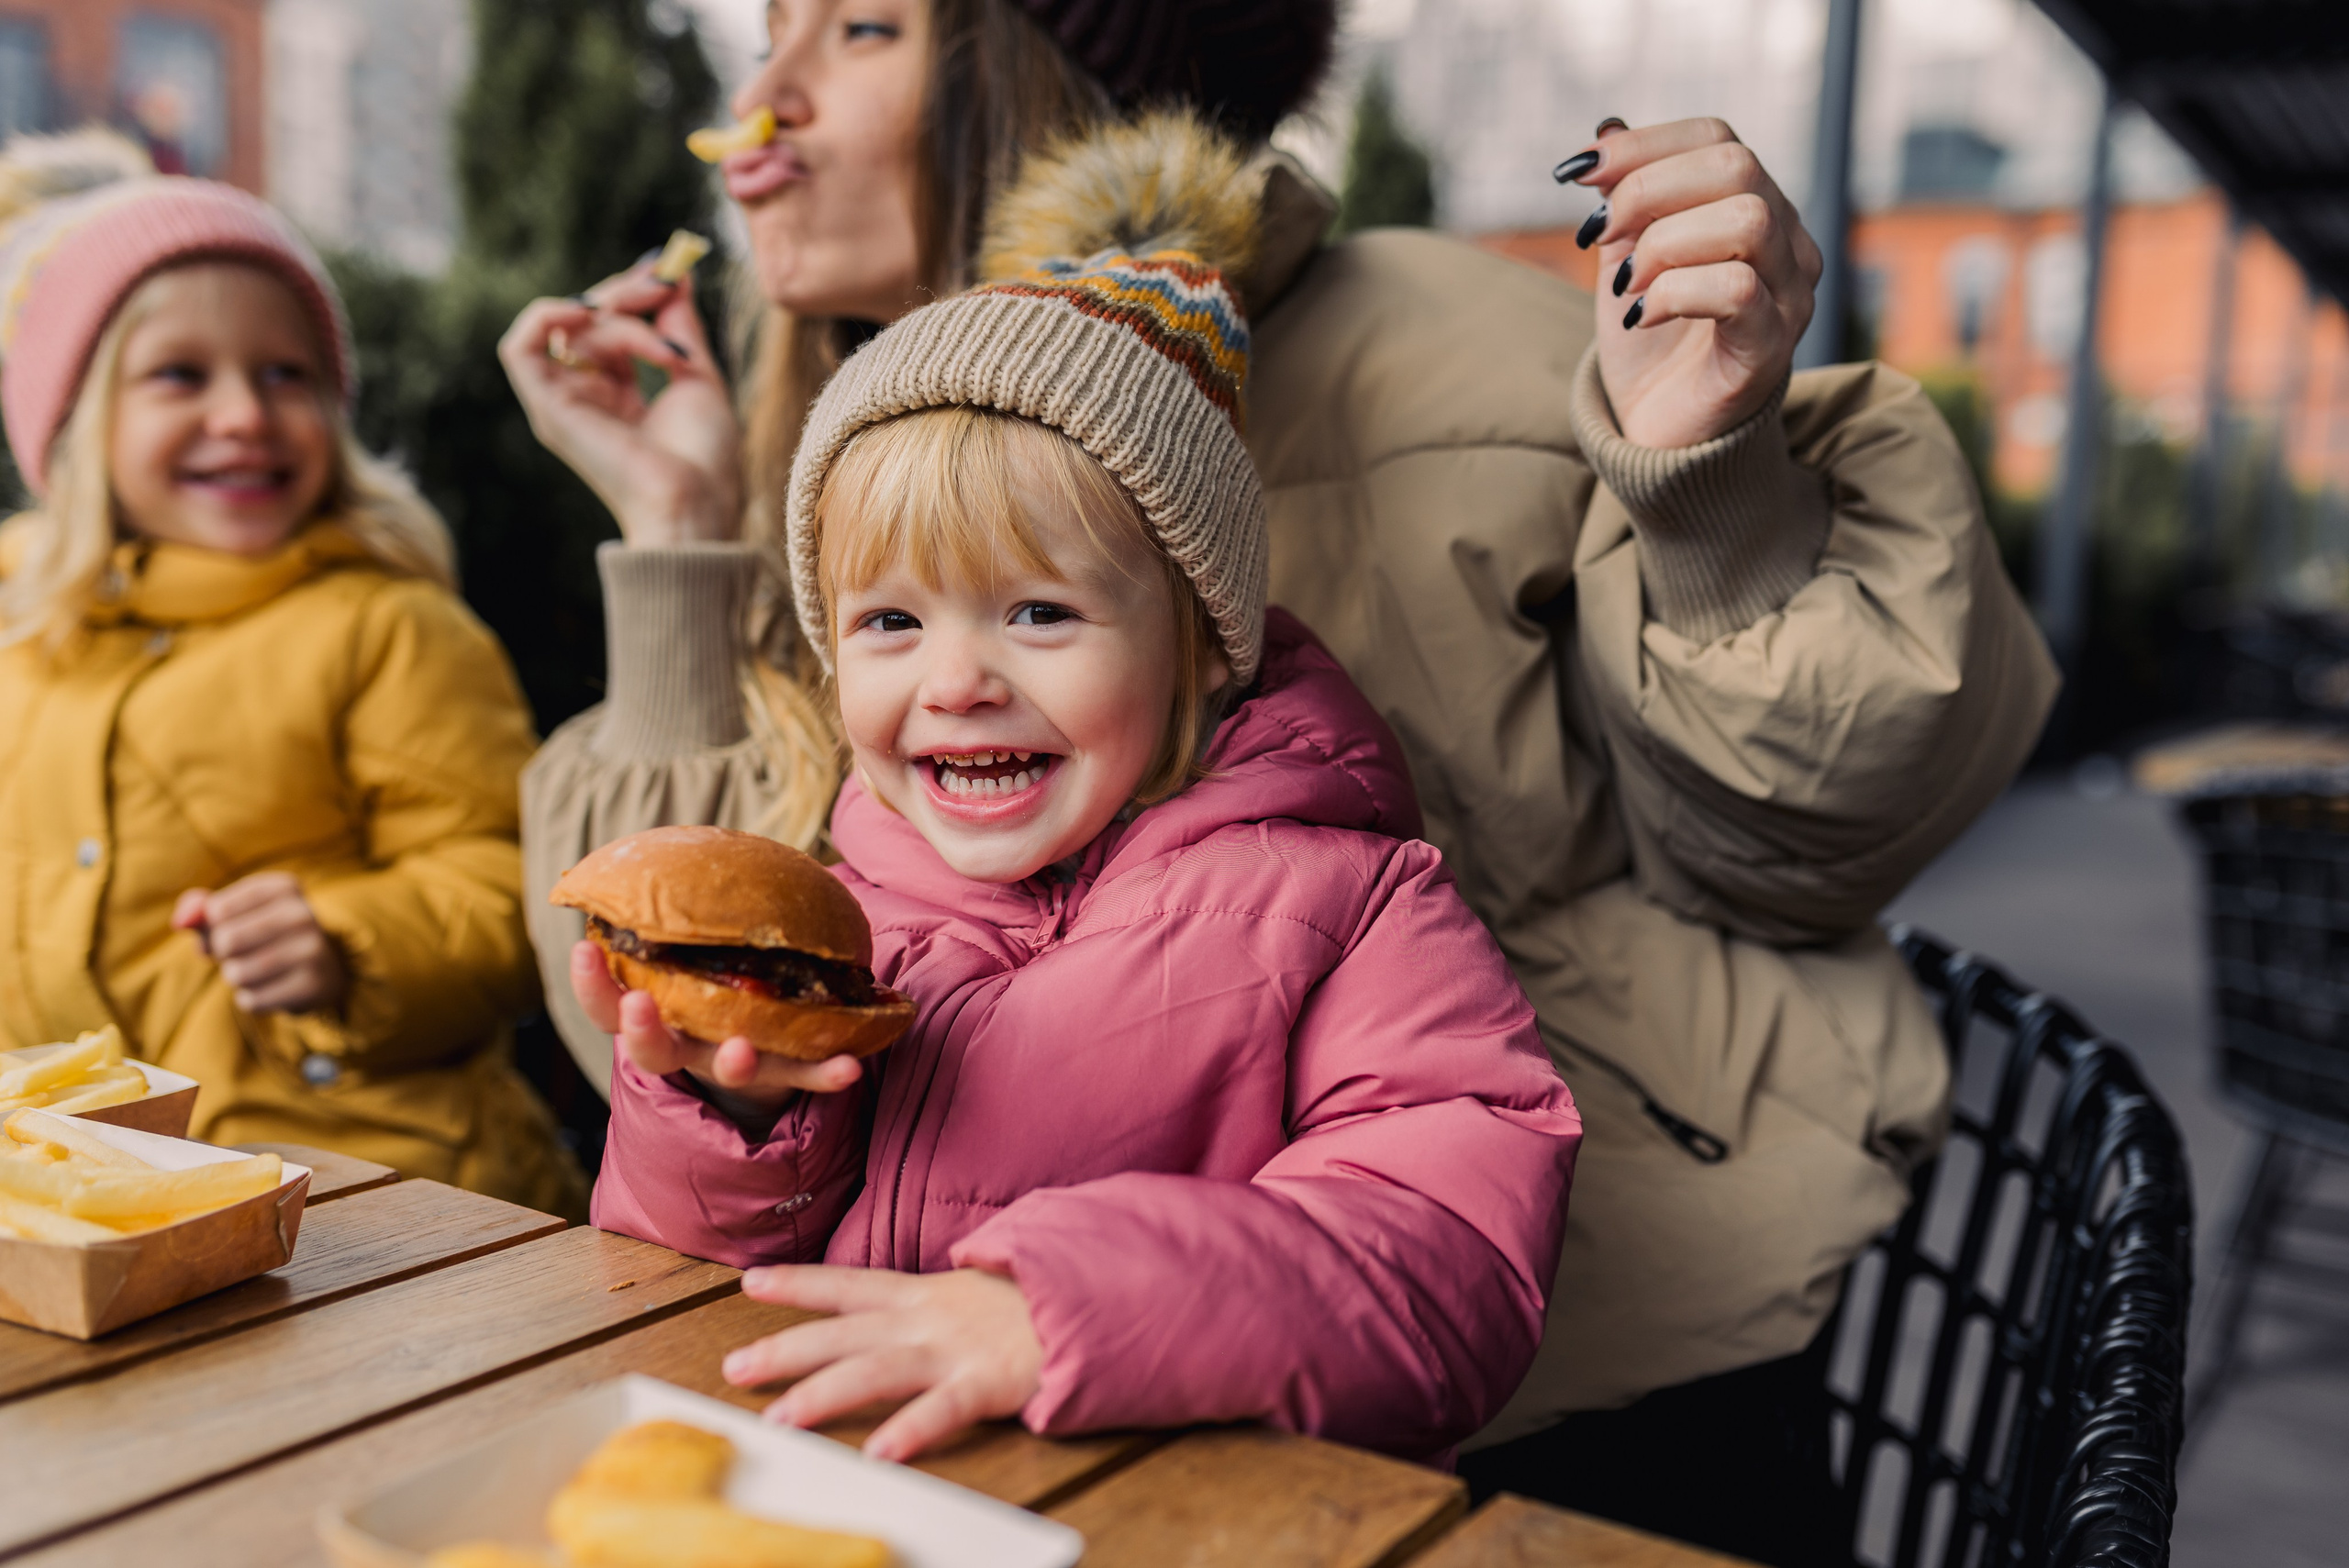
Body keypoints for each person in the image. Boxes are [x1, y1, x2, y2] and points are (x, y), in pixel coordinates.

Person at [505, 2, 2053, 1556]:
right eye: (892, 623)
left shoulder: (1465, 372)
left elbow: (1809, 840)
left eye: (854, 25)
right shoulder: (832, 450)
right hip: (972, 1457)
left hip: (1550, 1415)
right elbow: (645, 1012)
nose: (755, 107)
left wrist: (1708, 473)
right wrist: (682, 534)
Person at [582, 128, 1583, 1465]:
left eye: (1039, 611)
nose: (955, 682)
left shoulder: (1350, 904)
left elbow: (1447, 1260)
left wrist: (1059, 1311)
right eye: (887, 622)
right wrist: (735, 1116)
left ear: (1203, 642)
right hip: (868, 1493)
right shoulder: (836, 916)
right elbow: (690, 1280)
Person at [0, 131, 583, 1215]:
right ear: (73, 426)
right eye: (182, 374)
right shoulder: (22, 638)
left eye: (288, 374)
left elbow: (513, 895)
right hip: (87, 1207)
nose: (245, 414)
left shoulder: (389, 626)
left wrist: (346, 942)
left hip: (373, 1198)